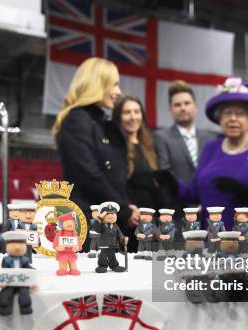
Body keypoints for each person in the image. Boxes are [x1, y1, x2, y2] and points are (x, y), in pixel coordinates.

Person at [174, 77, 248, 232]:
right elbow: (194, 194)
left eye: (240, 113)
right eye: (227, 113)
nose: (233, 119)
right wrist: (172, 184)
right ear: (220, 118)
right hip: (210, 239)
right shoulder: (211, 148)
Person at [53, 57, 139, 243]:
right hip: (87, 222)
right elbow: (89, 176)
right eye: (114, 85)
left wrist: (126, 207)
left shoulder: (104, 125)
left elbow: (116, 178)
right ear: (97, 85)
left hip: (107, 219)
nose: (119, 92)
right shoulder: (77, 120)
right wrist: (123, 209)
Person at [112, 96, 167, 210]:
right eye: (127, 112)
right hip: (128, 214)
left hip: (152, 215)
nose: (133, 117)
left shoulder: (150, 145)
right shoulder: (114, 146)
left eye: (136, 112)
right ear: (118, 117)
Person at [155, 80, 211, 184]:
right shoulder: (161, 138)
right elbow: (165, 173)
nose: (183, 108)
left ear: (195, 107)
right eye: (177, 105)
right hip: (177, 198)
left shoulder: (209, 139)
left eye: (187, 103)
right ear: (170, 109)